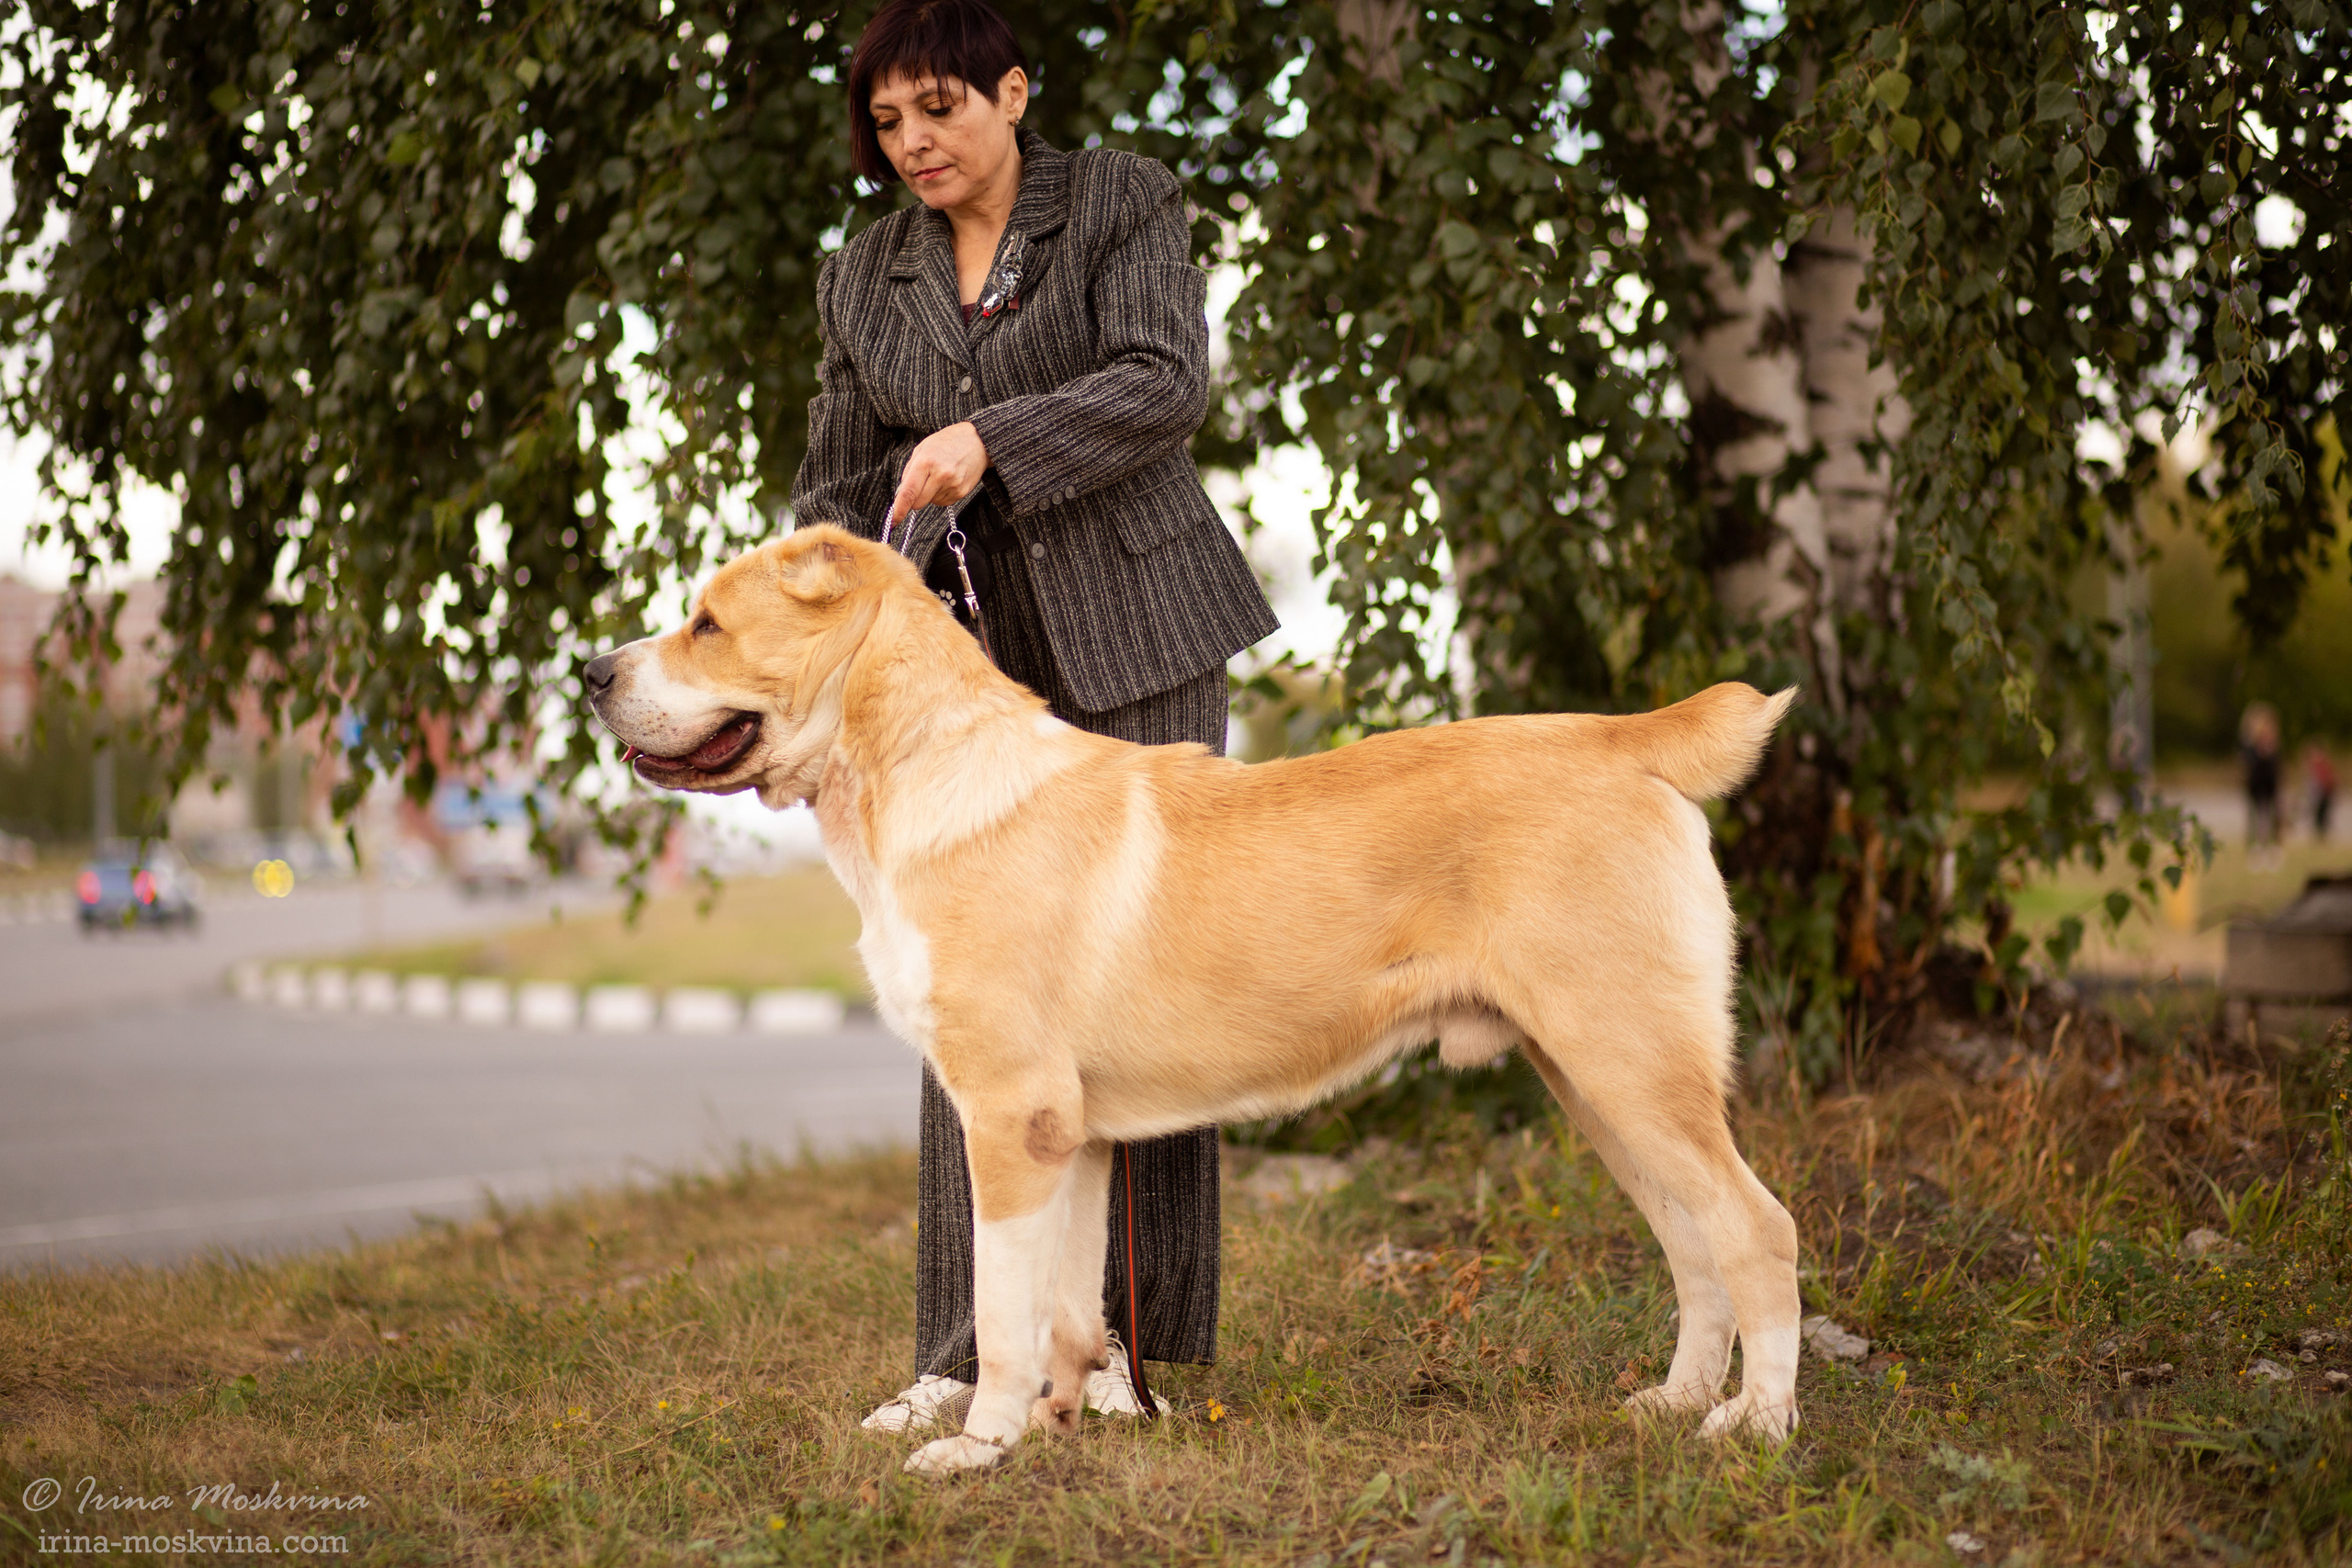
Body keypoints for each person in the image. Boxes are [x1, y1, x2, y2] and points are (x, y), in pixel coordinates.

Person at [787, 0, 1277, 1431]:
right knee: (971, 1002)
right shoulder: (860, 273)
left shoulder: (1123, 199)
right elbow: (835, 488)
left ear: (1013, 92)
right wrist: (799, 672)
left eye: (939, 107)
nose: (913, 142)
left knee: (1158, 991)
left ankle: (1120, 1349)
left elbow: (1161, 381)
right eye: (887, 123)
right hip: (952, 678)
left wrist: (990, 437)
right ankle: (968, 1348)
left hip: (1141, 635)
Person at [2242, 703, 2282, 868]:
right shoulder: (2251, 747)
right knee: (2254, 819)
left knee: (2273, 818)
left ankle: (2274, 850)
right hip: (2255, 787)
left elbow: (2277, 768)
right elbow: (2247, 766)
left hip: (2270, 787)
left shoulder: (2274, 746)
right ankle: (2255, 850)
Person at [2307, 739, 2338, 842]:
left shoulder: (2323, 765)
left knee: (2322, 814)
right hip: (2318, 793)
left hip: (2324, 793)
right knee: (2318, 815)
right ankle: (2319, 836)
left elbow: (2327, 780)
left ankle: (2323, 835)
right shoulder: (2315, 766)